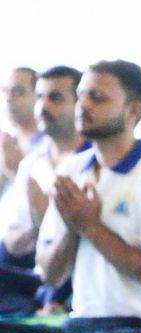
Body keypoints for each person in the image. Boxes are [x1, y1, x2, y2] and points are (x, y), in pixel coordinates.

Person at [0, 60, 141, 333]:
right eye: (81, 96)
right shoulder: (71, 173)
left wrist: (91, 226)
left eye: (98, 98)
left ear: (133, 109)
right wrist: (72, 228)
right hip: (83, 325)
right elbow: (50, 274)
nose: (83, 106)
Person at [0, 65, 88, 316]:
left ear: (80, 104)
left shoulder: (94, 162)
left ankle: (50, 302)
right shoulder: (31, 163)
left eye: (55, 98)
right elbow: (16, 244)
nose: (44, 106)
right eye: (40, 97)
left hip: (75, 275)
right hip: (35, 268)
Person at [1, 67, 44, 194]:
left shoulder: (51, 145)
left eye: (17, 91)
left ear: (38, 96)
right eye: (5, 91)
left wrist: (16, 172)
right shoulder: (7, 142)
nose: (8, 98)